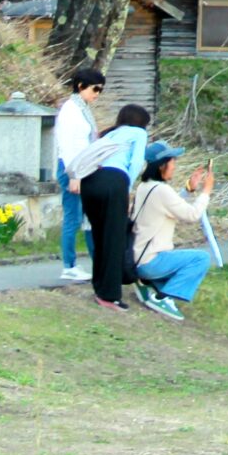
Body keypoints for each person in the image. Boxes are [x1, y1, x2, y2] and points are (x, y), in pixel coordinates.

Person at [65, 102, 151, 311]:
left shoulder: (108, 135)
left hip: (90, 181)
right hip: (114, 181)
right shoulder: (138, 133)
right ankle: (110, 295)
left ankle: (100, 288)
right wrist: (126, 186)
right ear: (141, 122)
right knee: (114, 239)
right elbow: (137, 162)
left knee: (100, 236)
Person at [129, 142, 216, 321]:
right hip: (150, 262)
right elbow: (192, 215)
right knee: (201, 258)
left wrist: (189, 189)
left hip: (137, 258)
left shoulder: (145, 187)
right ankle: (163, 298)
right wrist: (206, 191)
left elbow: (169, 206)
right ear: (162, 166)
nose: (174, 166)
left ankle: (149, 283)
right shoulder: (161, 190)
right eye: (172, 162)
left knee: (182, 259)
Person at [53, 65, 106, 282]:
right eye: (95, 89)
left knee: (88, 218)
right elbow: (67, 146)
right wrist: (74, 176)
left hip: (84, 168)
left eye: (100, 90)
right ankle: (69, 265)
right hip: (72, 169)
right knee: (73, 217)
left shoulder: (81, 108)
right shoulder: (70, 111)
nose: (97, 95)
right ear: (81, 86)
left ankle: (98, 263)